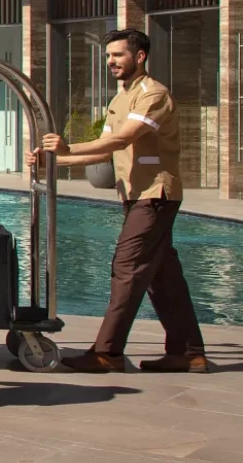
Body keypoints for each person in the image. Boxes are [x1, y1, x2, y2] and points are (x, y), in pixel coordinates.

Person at [29, 28, 206, 373]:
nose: (111, 61)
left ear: (139, 56)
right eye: (108, 55)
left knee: (126, 268)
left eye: (118, 55)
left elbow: (123, 140)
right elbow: (102, 152)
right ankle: (188, 351)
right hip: (136, 197)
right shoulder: (118, 100)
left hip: (155, 195)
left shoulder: (153, 95)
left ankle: (107, 353)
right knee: (163, 276)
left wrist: (65, 149)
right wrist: (53, 160)